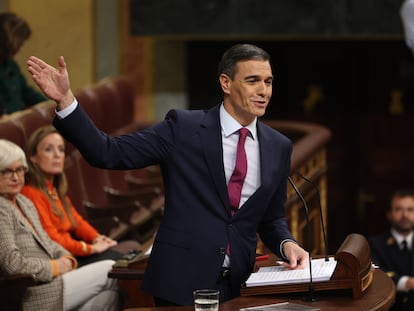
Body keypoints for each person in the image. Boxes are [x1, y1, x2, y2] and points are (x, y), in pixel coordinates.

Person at [27, 43, 309, 306]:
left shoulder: (278, 146)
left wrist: (287, 244)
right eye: (253, 81)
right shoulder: (183, 128)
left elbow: (271, 218)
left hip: (238, 286)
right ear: (226, 83)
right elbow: (107, 152)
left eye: (268, 81)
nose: (264, 91)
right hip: (181, 283)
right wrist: (66, 100)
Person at [0, 139, 121, 311]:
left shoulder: (23, 202)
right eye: (6, 171)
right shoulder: (1, 208)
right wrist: (56, 267)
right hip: (33, 294)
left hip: (55, 281)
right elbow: (12, 265)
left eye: (19, 170)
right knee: (110, 269)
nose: (15, 177)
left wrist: (67, 260)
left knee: (109, 296)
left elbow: (48, 243)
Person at [21, 125, 140, 267]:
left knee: (132, 250)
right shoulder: (30, 193)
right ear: (33, 157)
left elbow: (76, 221)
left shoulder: (54, 189)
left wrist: (96, 238)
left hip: (74, 252)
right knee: (127, 255)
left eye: (61, 149)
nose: (58, 155)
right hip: (63, 260)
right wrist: (89, 248)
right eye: (48, 149)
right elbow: (52, 239)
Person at [368, 189, 414, 311]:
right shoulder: (375, 244)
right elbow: (375, 274)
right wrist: (407, 282)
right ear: (389, 214)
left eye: (410, 210)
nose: (405, 215)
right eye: (398, 209)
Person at [0, 12, 46, 119]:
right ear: (7, 42)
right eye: (19, 44)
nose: (21, 49)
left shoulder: (11, 65)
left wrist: (51, 104)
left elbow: (26, 92)